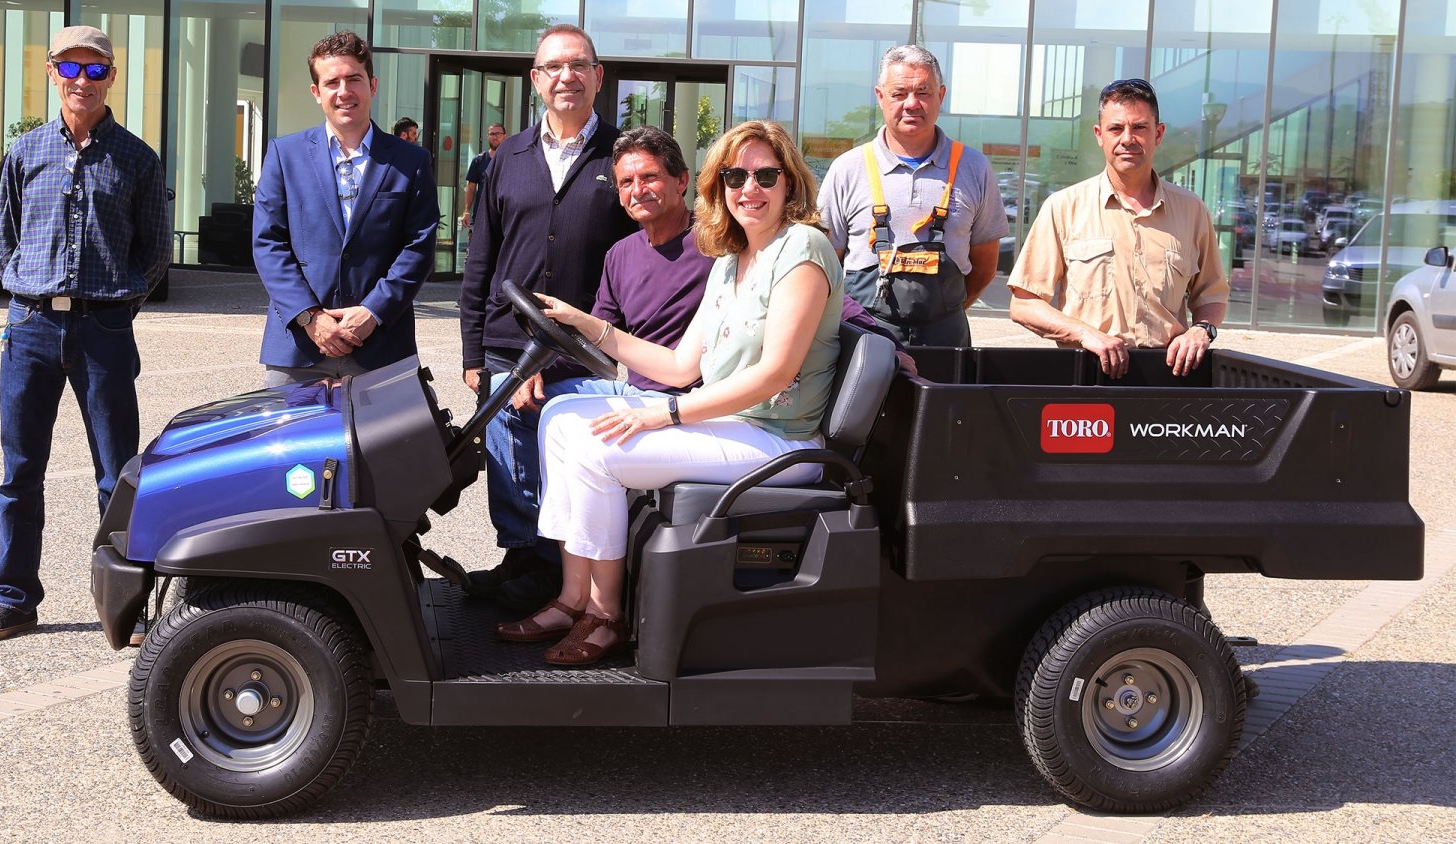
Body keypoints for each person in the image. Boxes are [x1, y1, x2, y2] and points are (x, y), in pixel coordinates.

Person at [494, 120, 845, 666]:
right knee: (561, 422)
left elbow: (776, 373)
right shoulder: (732, 260)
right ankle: (569, 597)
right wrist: (588, 324)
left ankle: (605, 613)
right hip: (738, 426)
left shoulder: (802, 249)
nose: (749, 189)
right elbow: (681, 365)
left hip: (780, 441)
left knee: (599, 450)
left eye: (765, 175)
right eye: (735, 177)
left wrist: (664, 415)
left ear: (790, 183)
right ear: (719, 186)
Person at [0, 25, 170, 643]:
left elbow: (155, 251)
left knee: (116, 474)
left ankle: (126, 605)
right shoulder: (26, 154)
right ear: (53, 74)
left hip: (103, 328)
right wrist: (22, 286)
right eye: (70, 69)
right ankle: (13, 599)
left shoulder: (137, 159)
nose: (82, 81)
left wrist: (115, 305)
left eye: (95, 70)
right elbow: (4, 240)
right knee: (20, 469)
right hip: (29, 327)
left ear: (112, 77)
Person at [459, 24, 636, 611]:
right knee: (509, 460)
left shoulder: (621, 157)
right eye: (554, 67)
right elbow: (482, 256)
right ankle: (521, 561)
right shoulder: (506, 157)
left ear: (598, 77)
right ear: (535, 80)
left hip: (588, 346)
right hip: (509, 344)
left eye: (579, 65)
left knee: (569, 461)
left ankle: (562, 575)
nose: (567, 76)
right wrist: (471, 350)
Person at [252, 31, 439, 388]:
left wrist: (373, 311)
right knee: (296, 444)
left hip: (382, 346)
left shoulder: (411, 162)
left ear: (373, 85)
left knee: (383, 447)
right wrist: (310, 317)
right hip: (299, 347)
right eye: (331, 82)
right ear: (316, 92)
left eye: (354, 79)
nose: (344, 91)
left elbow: (418, 246)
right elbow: (268, 243)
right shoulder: (284, 154)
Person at [1007, 78, 1228, 378]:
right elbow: (1024, 304)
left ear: (1158, 134)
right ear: (1099, 135)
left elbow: (1212, 293)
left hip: (1167, 378)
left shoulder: (1191, 210)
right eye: (1116, 128)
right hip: (1086, 377)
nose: (1128, 139)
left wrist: (1201, 330)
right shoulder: (1064, 207)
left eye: (1139, 128)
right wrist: (1083, 333)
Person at [818, 44, 1008, 348]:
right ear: (880, 97)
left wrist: (944, 311)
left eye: (923, 92)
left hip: (945, 340)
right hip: (863, 339)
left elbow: (985, 266)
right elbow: (825, 267)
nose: (912, 103)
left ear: (941, 96)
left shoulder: (974, 167)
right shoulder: (847, 169)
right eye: (899, 93)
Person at [461, 123, 507, 229]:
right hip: (481, 216)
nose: (494, 137)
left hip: (505, 216)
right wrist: (467, 211)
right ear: (488, 136)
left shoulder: (512, 160)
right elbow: (471, 188)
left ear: (505, 136)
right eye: (491, 134)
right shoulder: (479, 160)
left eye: (498, 134)